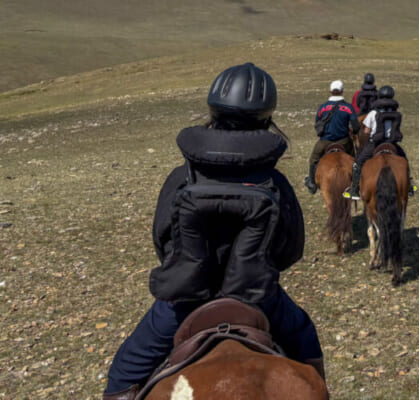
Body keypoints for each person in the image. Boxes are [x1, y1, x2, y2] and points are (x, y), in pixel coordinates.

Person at [102, 63, 325, 400]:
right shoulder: (275, 182)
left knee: (124, 371)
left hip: (184, 299)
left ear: (212, 110)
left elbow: (162, 242)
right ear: (267, 116)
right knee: (304, 339)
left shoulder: (180, 178)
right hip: (257, 296)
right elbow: (290, 251)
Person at [344, 85, 414, 201]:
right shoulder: (396, 113)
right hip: (392, 143)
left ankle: (355, 190)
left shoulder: (373, 113)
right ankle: (409, 187)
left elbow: (366, 131)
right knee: (404, 161)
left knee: (357, 164)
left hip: (375, 144)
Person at [305, 79, 357, 194]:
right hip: (344, 141)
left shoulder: (322, 107)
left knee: (313, 159)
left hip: (325, 141)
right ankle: (355, 183)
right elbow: (356, 126)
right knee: (354, 159)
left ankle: (312, 183)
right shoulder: (348, 108)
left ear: (330, 91)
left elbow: (317, 123)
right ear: (342, 91)